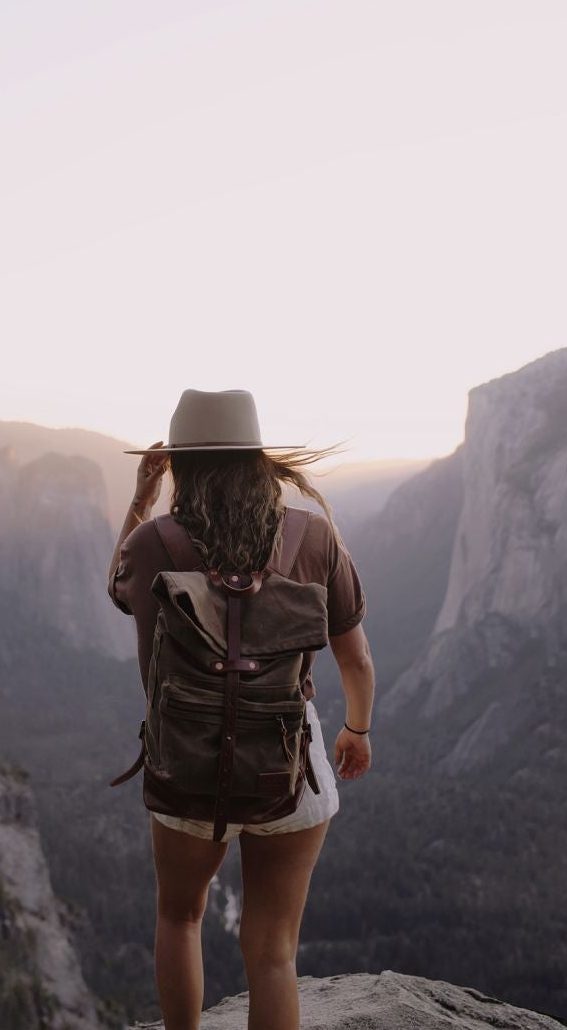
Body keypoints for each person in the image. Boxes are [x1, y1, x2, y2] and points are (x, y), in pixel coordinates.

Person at [106, 388, 376, 1030]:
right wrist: (356, 729)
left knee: (180, 916)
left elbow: (117, 587)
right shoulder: (311, 535)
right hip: (292, 767)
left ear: (179, 466)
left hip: (185, 767)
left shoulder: (153, 544)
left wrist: (143, 498)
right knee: (273, 953)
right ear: (259, 461)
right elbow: (357, 659)